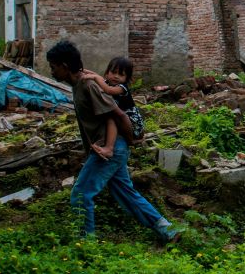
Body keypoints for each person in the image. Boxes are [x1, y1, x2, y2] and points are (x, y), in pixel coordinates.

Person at [46, 40, 178, 242]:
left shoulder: (88, 85)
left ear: (64, 66)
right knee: (125, 192)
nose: (51, 72)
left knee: (81, 193)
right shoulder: (79, 83)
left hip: (111, 148)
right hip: (111, 147)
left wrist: (128, 141)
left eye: (53, 67)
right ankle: (167, 229)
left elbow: (118, 116)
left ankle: (86, 244)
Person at [82, 57, 145, 144]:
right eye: (113, 72)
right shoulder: (107, 82)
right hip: (121, 118)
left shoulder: (122, 87)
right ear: (107, 73)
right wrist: (82, 70)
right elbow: (98, 76)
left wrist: (95, 78)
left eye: (121, 74)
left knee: (111, 118)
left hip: (131, 122)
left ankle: (130, 141)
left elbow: (108, 90)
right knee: (111, 115)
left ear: (126, 78)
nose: (116, 76)